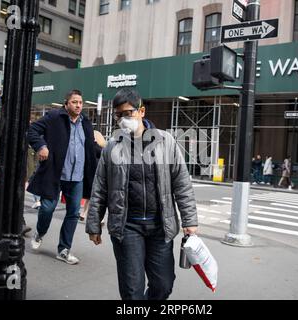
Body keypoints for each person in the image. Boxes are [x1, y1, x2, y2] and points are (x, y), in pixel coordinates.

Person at [86, 88, 198, 300]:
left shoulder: (166, 141)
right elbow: (100, 187)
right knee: (132, 290)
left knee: (163, 285)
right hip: (127, 227)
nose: (123, 119)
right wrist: (94, 224)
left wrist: (189, 220)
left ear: (141, 111)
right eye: (118, 115)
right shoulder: (112, 147)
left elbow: (182, 183)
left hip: (160, 228)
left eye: (127, 113)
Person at [27, 89, 99, 265]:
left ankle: (64, 249)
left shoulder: (86, 123)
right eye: (74, 102)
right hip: (56, 173)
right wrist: (41, 146)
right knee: (47, 208)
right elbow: (32, 131)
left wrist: (108, 152)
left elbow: (91, 147)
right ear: (66, 104)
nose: (78, 105)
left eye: (81, 102)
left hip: (77, 177)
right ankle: (40, 232)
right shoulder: (54, 117)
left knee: (73, 213)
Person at [79, 129, 107, 222]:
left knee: (90, 197)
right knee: (96, 197)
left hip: (90, 174)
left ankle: (84, 213)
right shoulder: (96, 147)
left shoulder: (87, 146)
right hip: (97, 174)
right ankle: (99, 218)